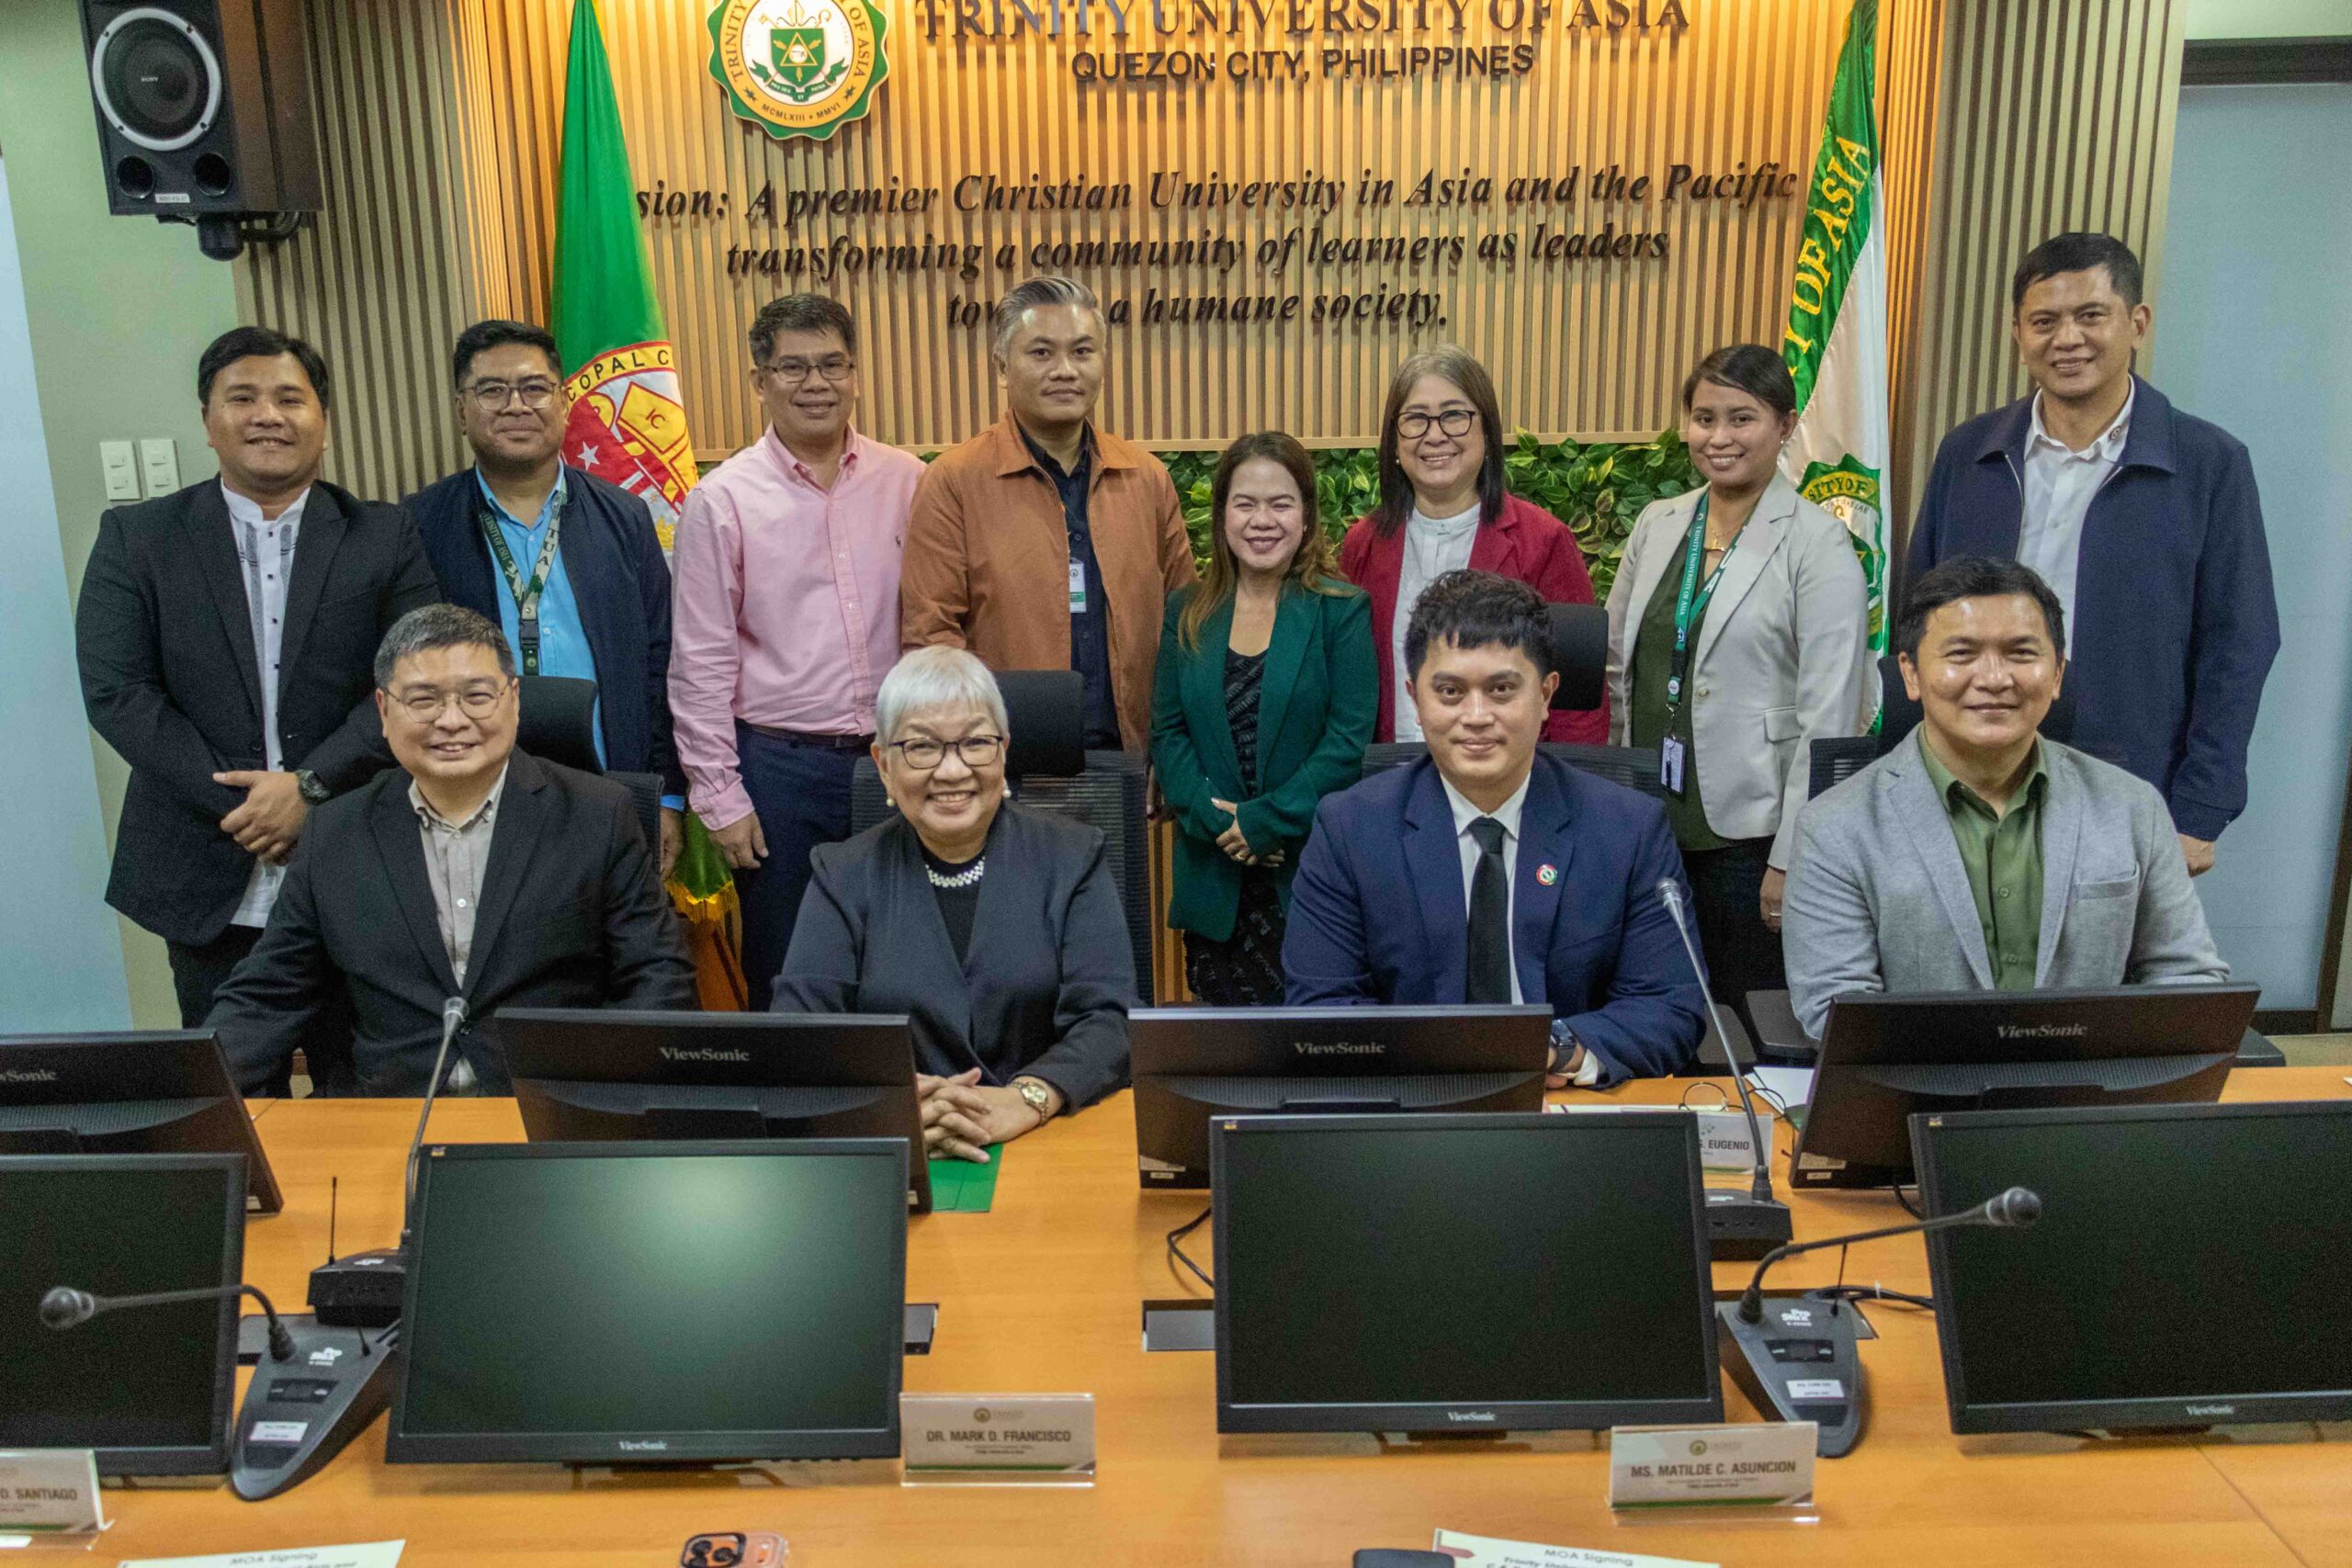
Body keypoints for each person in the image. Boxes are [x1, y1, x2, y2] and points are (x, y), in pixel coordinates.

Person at [76, 326, 438, 1089]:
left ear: (324, 422)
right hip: (202, 864)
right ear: (208, 421)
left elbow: (416, 680)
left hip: (355, 858)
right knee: (231, 1093)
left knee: (365, 1091)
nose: (267, 414)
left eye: (289, 398)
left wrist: (307, 788)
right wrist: (246, 804)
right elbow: (118, 691)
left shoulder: (383, 535)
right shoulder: (139, 537)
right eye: (242, 398)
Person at [1906, 231, 2279, 877]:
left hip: (2128, 782)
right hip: (1965, 770)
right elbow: (1915, 619)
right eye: (2044, 321)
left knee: (2102, 945)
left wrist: (2200, 809)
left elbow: (2239, 643)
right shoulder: (1969, 452)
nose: (2068, 339)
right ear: (2017, 332)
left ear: (2137, 323)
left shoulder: (2208, 463)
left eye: (2090, 316)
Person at [209, 605, 694, 1095]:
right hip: (391, 1113)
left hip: (547, 1108)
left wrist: (605, 1095)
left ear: (514, 701)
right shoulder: (336, 831)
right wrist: (193, 1090)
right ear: (383, 711)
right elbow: (269, 993)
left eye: (477, 697)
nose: (452, 721)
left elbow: (657, 977)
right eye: (423, 700)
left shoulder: (598, 816)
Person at [1283, 570, 1707, 1085]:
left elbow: (1669, 1004)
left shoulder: (1629, 829)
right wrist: (1446, 1060)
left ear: (1546, 694)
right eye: (1450, 692)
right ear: (1416, 699)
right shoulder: (1350, 830)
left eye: (1502, 689)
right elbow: (1322, 1007)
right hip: (1414, 1105)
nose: (1477, 715)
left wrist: (1554, 1047)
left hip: (1570, 1102)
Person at [1782, 558, 2229, 1041]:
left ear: (2057, 674)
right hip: (1920, 1084)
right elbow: (1838, 1010)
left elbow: (2187, 977)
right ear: (1910, 674)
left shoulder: (2133, 807)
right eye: (1962, 654)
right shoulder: (1835, 827)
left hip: (2091, 1081)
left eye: (2021, 653)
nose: (1995, 678)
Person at [773, 647, 1135, 1161]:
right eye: (922, 747)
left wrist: (1030, 1097)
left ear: (1004, 752)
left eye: (975, 743)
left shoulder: (1073, 857)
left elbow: (1110, 1018)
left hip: (1049, 1139)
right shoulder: (842, 874)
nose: (952, 770)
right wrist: (896, 1105)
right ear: (883, 764)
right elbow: (801, 1032)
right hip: (901, 1146)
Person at [1604, 344, 1871, 1034]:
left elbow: (1831, 714)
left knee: (1749, 1020)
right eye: (1704, 418)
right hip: (1648, 823)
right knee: (1655, 1012)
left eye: (1741, 418)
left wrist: (1793, 858)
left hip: (1751, 837)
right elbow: (1616, 666)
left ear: (1785, 426)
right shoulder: (1659, 523)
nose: (1718, 437)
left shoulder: (1818, 543)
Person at [669, 295, 925, 1008]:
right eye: (793, 367)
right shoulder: (722, 500)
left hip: (899, 760)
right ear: (760, 380)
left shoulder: (909, 480)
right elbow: (700, 663)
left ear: (856, 374)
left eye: (832, 365)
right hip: (780, 772)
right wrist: (719, 797)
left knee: (909, 960)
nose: (816, 383)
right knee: (791, 969)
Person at [403, 320, 685, 878]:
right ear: (461, 410)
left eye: (534, 388)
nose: (516, 406)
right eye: (492, 390)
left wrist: (668, 795)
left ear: (562, 403)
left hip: (614, 790)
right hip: (471, 796)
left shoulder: (625, 517)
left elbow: (662, 659)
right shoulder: (418, 526)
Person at [899, 276, 1196, 753]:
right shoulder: (955, 481)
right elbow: (931, 638)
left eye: (1082, 352)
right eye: (1041, 353)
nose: (1065, 370)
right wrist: (976, 749)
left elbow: (1186, 621)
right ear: (1003, 367)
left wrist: (1172, 749)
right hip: (1006, 757)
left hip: (1133, 752)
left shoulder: (1145, 477)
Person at [1151, 433, 1377, 1005]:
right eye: (1245, 503)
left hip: (1306, 871)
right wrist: (1219, 824)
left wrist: (1265, 823)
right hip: (1214, 870)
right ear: (1222, 514)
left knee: (1315, 1035)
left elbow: (1348, 740)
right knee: (1223, 1041)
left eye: (1281, 503)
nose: (1262, 521)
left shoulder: (1340, 609)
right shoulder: (1186, 611)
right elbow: (1168, 733)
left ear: (1306, 516)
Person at [1338, 345, 1607, 747]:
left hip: (1511, 771)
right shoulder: (1363, 544)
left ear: (1487, 432)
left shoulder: (1542, 539)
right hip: (1389, 769)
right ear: (1394, 441)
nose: (1434, 435)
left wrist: (1563, 779)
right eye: (1415, 419)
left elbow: (1577, 700)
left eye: (1454, 416)